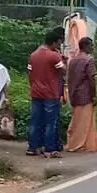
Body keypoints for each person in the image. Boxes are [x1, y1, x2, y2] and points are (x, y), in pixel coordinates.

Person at [27, 27, 66, 158]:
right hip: (51, 93)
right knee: (51, 122)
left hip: (36, 92)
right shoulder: (54, 56)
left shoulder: (33, 55)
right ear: (54, 43)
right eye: (58, 43)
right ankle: (49, 149)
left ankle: (33, 148)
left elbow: (29, 73)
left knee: (35, 121)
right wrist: (62, 58)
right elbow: (63, 71)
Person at [64, 37, 97, 153]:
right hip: (86, 95)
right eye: (91, 45)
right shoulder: (88, 60)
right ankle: (82, 144)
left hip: (74, 95)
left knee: (77, 121)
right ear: (85, 46)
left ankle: (75, 142)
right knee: (85, 122)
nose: (92, 47)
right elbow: (92, 79)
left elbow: (69, 79)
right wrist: (94, 95)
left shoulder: (73, 61)